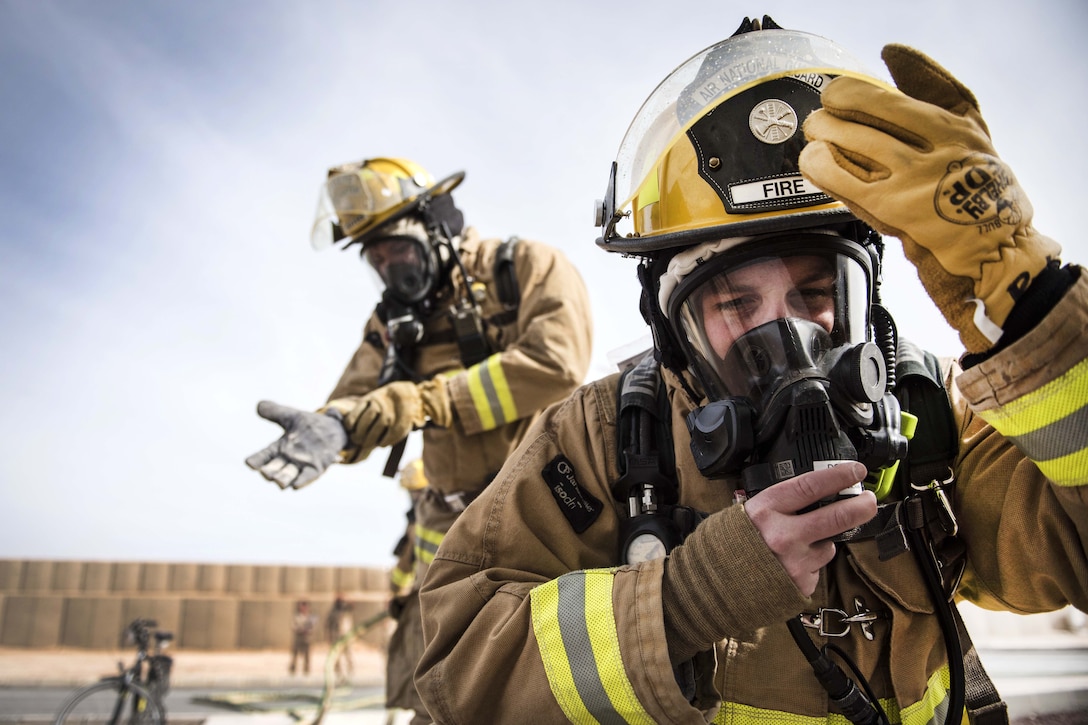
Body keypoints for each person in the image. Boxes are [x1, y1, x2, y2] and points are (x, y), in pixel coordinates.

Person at [416, 16, 1087, 725]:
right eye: (736, 301)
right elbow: (456, 677)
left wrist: (1036, 315)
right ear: (673, 323)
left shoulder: (931, 412)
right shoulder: (604, 439)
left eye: (819, 292)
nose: (785, 334)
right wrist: (689, 597)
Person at [246, 157, 594, 723]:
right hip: (447, 520)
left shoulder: (526, 267)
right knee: (437, 690)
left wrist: (422, 401)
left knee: (540, 683)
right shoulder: (391, 324)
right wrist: (332, 425)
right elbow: (359, 395)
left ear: (434, 225)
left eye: (397, 250)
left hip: (542, 511)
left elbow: (556, 363)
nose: (390, 270)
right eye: (375, 259)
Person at [326, 594, 354, 682]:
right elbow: (328, 626)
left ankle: (350, 671)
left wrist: (346, 599)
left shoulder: (346, 611)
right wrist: (329, 637)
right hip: (336, 636)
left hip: (346, 635)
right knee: (337, 656)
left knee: (348, 654)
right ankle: (339, 673)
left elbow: (351, 606)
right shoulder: (333, 612)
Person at [289, 600, 316, 676]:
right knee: (295, 655)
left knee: (307, 656)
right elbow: (293, 627)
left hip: (307, 639)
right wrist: (300, 629)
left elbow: (312, 628)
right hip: (298, 638)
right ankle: (293, 669)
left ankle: (306, 670)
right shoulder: (297, 617)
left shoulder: (310, 617)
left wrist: (307, 630)